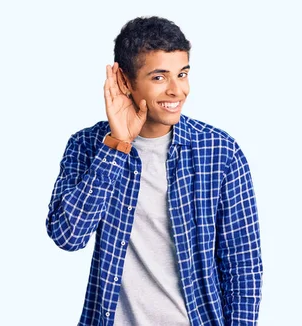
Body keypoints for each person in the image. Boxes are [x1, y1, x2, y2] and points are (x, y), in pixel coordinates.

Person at [46, 16, 263, 326]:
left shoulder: (219, 152)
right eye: (160, 77)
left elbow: (243, 267)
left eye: (183, 74)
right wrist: (116, 146)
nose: (177, 90)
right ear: (124, 80)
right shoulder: (87, 145)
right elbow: (68, 236)